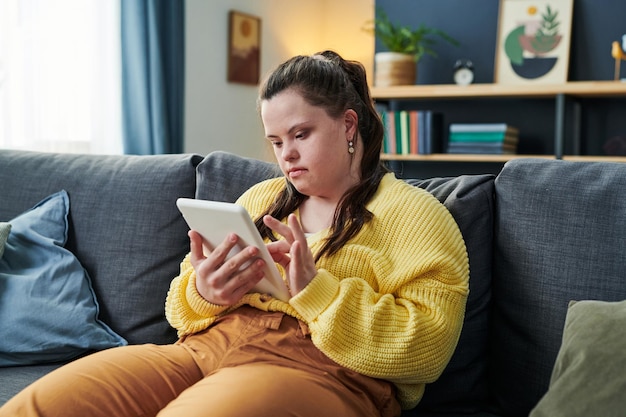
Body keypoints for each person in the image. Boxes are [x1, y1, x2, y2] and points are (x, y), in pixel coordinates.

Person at [0, 50, 469, 417]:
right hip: (205, 350)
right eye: (277, 141)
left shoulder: (416, 215)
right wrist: (205, 290)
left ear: (348, 124)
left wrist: (317, 292)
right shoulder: (259, 198)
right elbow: (180, 309)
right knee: (38, 406)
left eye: (301, 134)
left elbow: (427, 348)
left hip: (319, 370)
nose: (286, 155)